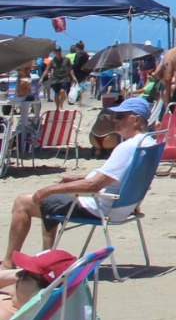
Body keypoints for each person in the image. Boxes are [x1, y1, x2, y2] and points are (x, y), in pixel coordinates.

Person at [4, 97, 157, 266]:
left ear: (136, 120)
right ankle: (45, 258)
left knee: (24, 202)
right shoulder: (148, 143)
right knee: (52, 199)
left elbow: (94, 185)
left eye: (120, 116)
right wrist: (79, 178)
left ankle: (11, 263)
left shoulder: (126, 148)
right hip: (124, 206)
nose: (115, 120)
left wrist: (50, 189)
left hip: (99, 207)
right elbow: (119, 176)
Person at [0, 248, 74, 316]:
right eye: (22, 271)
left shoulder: (5, 315)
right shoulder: (19, 302)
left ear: (44, 292)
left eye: (25, 274)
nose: (17, 276)